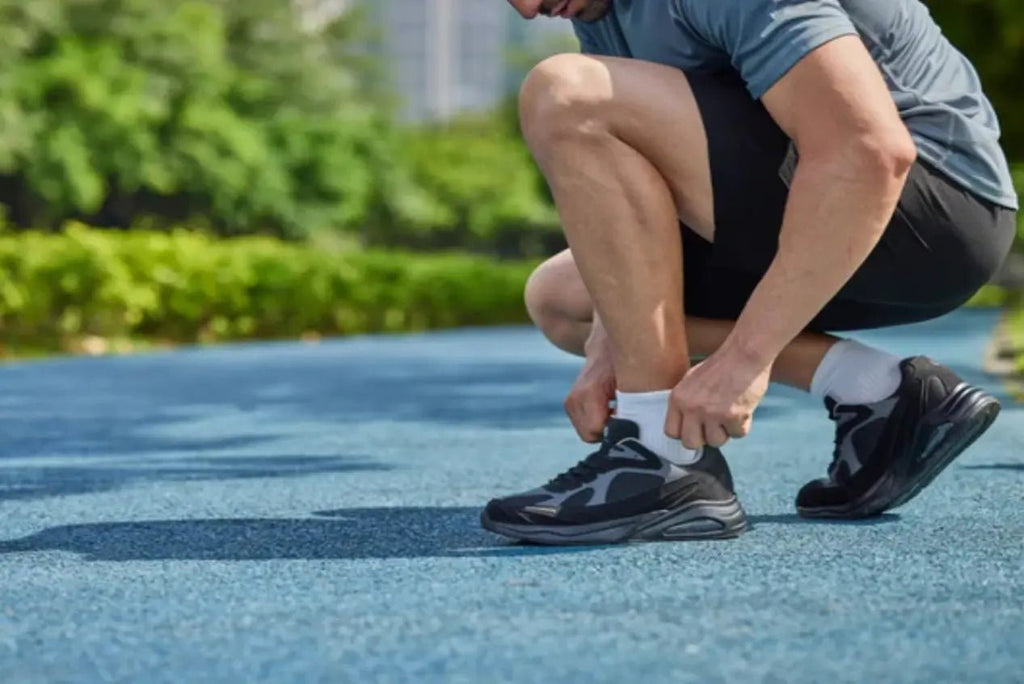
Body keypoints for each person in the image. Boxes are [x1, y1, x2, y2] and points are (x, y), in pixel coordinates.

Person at [481, 0, 1019, 545]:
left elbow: (870, 151)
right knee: (565, 298)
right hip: (831, 203)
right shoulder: (603, 13)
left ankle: (662, 459)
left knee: (567, 91)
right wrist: (611, 346)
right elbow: (645, 186)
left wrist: (747, 358)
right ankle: (878, 389)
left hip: (935, 210)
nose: (528, 9)